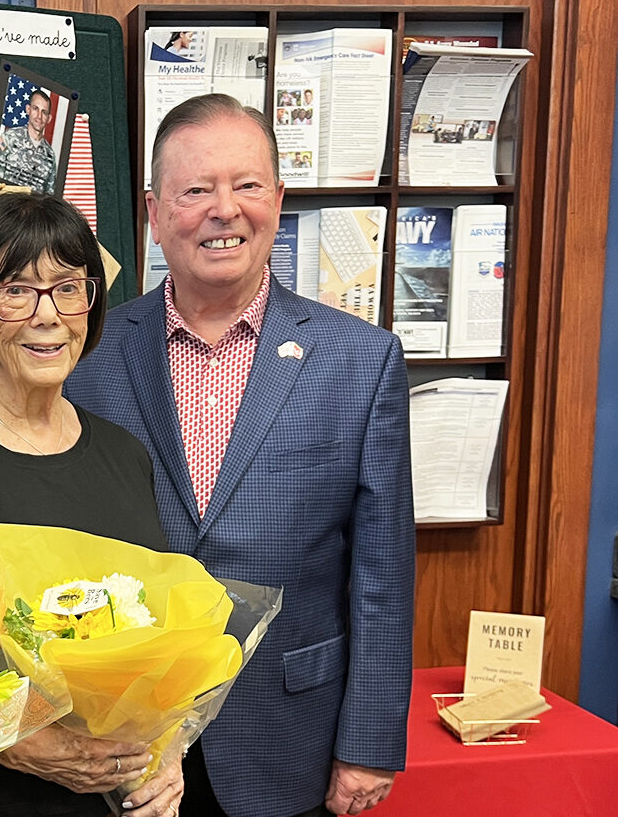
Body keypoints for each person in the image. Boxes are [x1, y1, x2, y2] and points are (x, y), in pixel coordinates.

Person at [67, 93, 414, 817]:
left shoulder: (362, 361)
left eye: (247, 185)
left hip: (291, 740)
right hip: (124, 745)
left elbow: (382, 577)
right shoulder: (87, 354)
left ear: (278, 201)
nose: (224, 209)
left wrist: (371, 742)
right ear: (155, 214)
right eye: (196, 190)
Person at [0, 191, 184, 817]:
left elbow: (162, 637)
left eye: (68, 288)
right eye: (16, 290)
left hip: (118, 796)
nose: (48, 315)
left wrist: (169, 751)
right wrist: (16, 742)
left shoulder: (125, 454)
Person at [0, 88, 59, 193]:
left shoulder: (50, 155)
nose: (39, 116)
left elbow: (49, 194)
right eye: (35, 109)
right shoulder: (10, 138)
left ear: (49, 118)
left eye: (44, 112)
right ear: (28, 109)